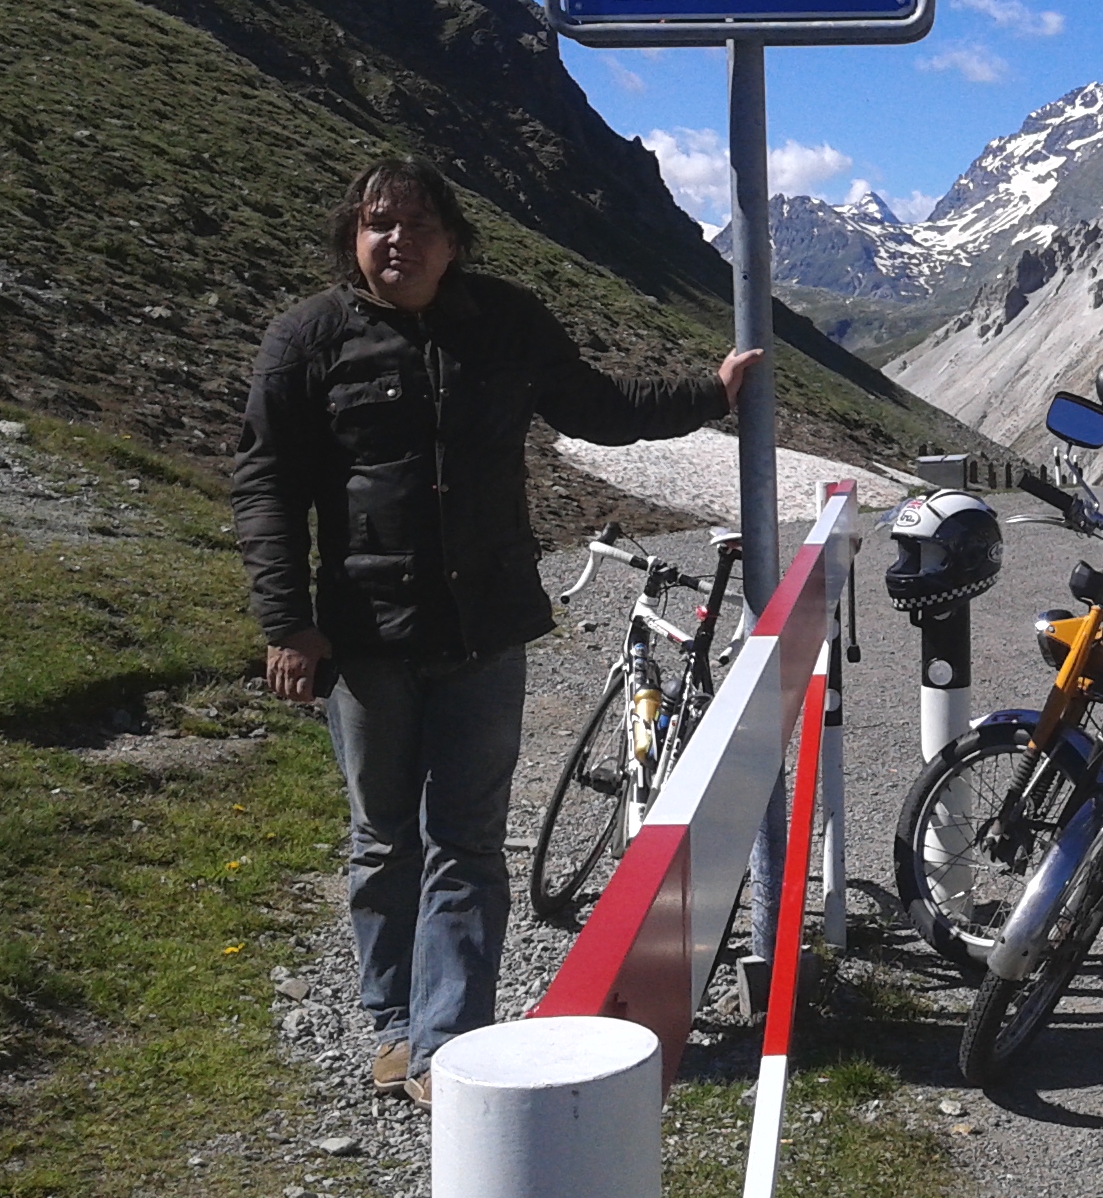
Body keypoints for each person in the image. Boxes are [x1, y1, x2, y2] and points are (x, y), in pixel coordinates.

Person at [231, 157, 760, 1108]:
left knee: (468, 841)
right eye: (378, 223)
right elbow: (266, 486)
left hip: (485, 631)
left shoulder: (508, 322)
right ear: (353, 237)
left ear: (454, 241)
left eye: (419, 224)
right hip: (365, 639)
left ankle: (446, 1042)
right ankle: (393, 1021)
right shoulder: (306, 340)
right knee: (383, 837)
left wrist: (709, 393)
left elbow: (597, 409)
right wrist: (288, 624)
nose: (398, 240)